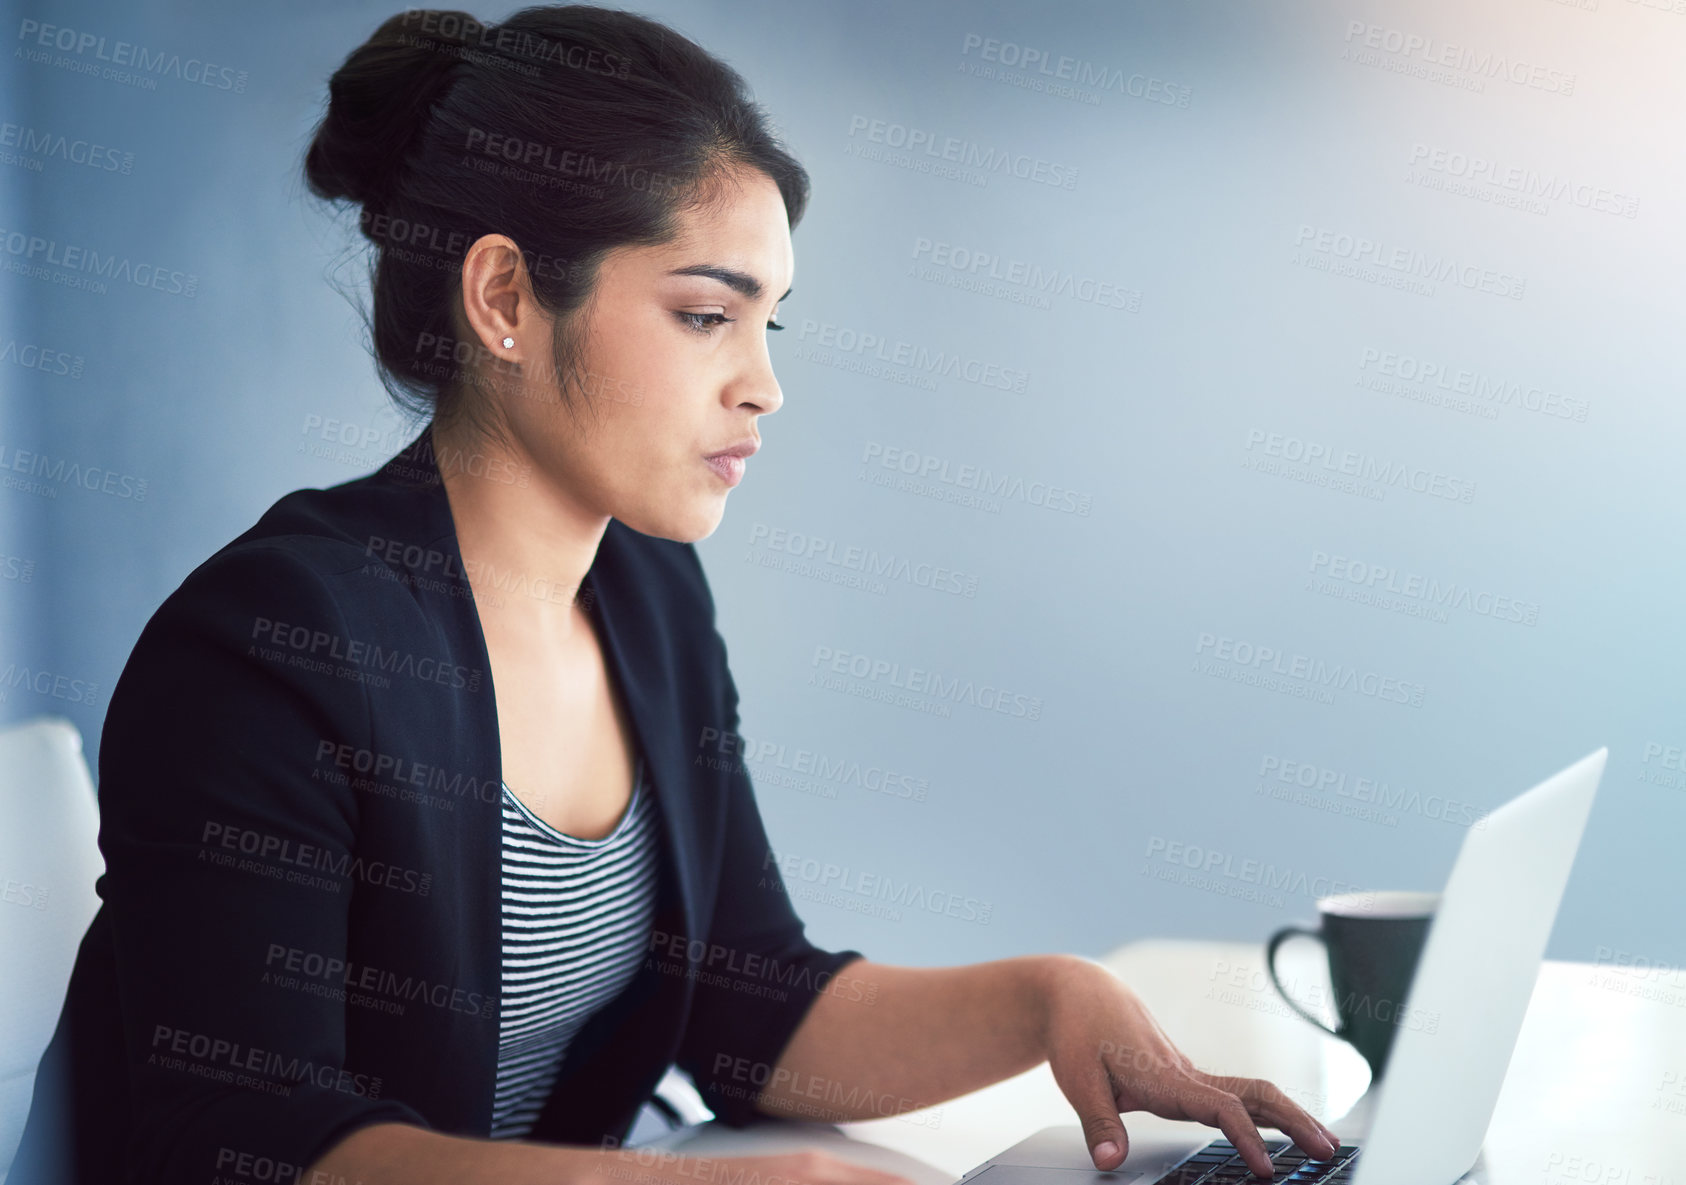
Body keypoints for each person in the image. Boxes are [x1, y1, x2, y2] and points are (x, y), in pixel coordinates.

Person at [9, 7, 1340, 1184]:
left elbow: (744, 1008)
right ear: (505, 296)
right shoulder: (261, 651)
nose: (763, 383)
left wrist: (1058, 999)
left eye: (772, 323)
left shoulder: (646, 592)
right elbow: (238, 1143)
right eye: (708, 314)